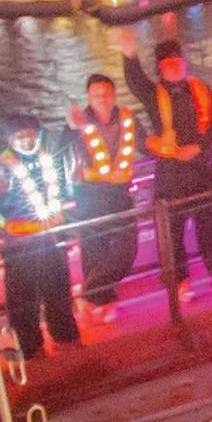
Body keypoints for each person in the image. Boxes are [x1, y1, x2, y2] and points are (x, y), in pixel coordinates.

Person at [0, 118, 83, 358]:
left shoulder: (46, 156)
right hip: (20, 241)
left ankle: (66, 337)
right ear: (10, 140)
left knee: (58, 289)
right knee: (23, 299)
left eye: (31, 134)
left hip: (50, 235)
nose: (27, 140)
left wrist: (71, 127)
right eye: (20, 136)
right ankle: (31, 348)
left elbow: (66, 166)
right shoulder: (0, 166)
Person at [138, 40, 212, 285]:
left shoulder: (200, 89)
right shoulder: (153, 95)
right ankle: (179, 283)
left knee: (210, 224)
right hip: (170, 173)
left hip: (202, 169)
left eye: (177, 60)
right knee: (172, 231)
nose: (174, 65)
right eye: (167, 62)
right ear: (160, 67)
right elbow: (136, 81)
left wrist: (198, 146)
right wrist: (129, 54)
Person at [65, 72, 144, 306]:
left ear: (114, 94)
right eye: (96, 94)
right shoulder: (77, 122)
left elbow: (143, 143)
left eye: (107, 93)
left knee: (127, 249)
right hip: (90, 196)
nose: (102, 98)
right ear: (88, 97)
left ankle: (89, 293)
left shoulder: (128, 118)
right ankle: (101, 301)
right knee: (94, 250)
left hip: (121, 194)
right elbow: (61, 152)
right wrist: (70, 128)